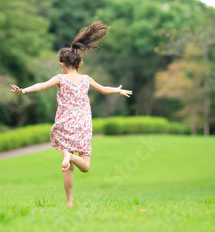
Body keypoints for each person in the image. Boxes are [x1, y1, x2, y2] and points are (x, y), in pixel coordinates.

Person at [10, 21, 132, 207]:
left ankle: (69, 200)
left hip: (65, 124)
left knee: (68, 168)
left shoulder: (60, 78)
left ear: (62, 64)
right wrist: (117, 90)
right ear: (79, 64)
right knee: (86, 167)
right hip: (83, 124)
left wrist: (23, 91)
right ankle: (71, 159)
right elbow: (105, 90)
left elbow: (41, 86)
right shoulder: (86, 79)